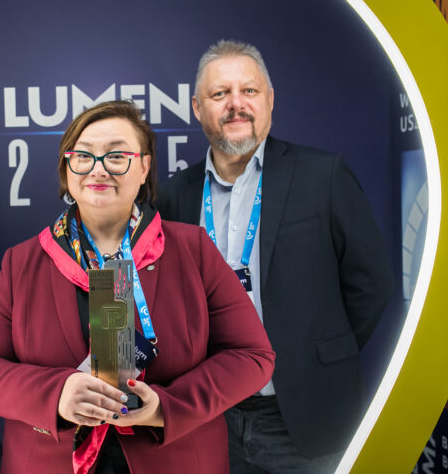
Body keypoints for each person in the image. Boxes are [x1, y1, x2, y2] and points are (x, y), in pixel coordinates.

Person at [0, 100, 275, 473]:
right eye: (83, 156)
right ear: (67, 167)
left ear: (144, 168)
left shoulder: (194, 250)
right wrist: (56, 393)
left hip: (174, 460)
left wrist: (165, 407)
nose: (98, 168)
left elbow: (253, 356)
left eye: (116, 156)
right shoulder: (23, 262)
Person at [155, 40, 394, 473]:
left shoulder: (323, 176)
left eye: (249, 90)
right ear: (197, 108)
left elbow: (371, 284)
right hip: (211, 419)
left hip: (306, 417)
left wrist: (316, 355)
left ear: (270, 100)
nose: (236, 104)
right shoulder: (175, 196)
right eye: (219, 93)